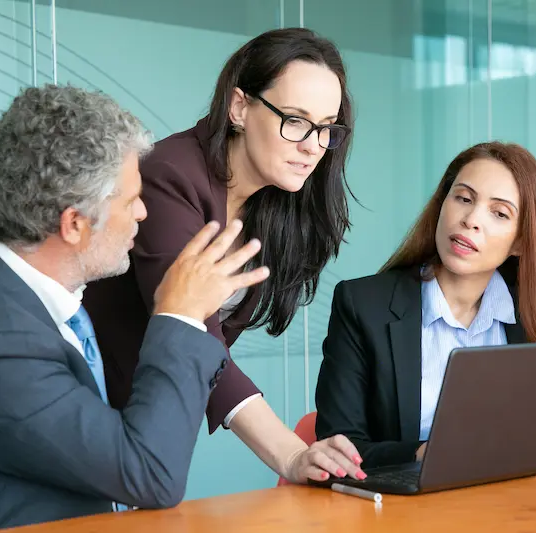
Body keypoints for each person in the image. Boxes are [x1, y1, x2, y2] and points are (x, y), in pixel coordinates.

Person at [0, 84, 271, 533]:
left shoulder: (6, 291)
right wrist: (178, 316)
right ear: (74, 223)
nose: (143, 213)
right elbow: (150, 474)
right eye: (130, 200)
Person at [83, 28, 365, 483]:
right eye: (295, 120)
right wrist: (291, 454)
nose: (313, 144)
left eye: (326, 127)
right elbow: (194, 331)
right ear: (239, 108)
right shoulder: (170, 178)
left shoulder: (272, 200)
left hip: (149, 418)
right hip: (91, 411)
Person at [314, 141, 536, 470]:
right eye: (464, 198)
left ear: (521, 241)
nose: (471, 220)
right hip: (403, 512)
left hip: (512, 509)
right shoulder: (364, 305)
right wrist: (424, 453)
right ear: (442, 205)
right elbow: (338, 445)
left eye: (499, 213)